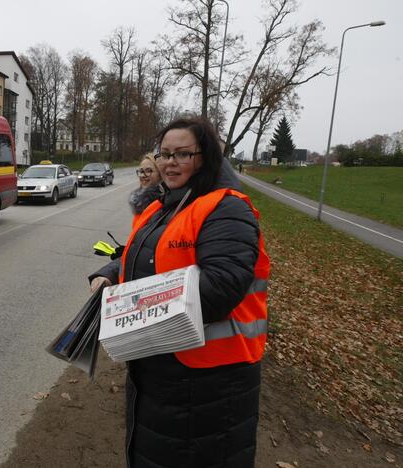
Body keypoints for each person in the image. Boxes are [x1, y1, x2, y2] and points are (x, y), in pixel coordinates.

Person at [89, 117, 270, 468]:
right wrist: (110, 274)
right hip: (158, 366)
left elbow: (220, 287)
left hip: (209, 381)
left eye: (182, 154)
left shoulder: (227, 207)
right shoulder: (162, 206)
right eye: (164, 154)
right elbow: (139, 255)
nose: (170, 162)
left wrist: (135, 302)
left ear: (206, 158)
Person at [128, 153, 163, 220]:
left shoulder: (164, 202)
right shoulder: (139, 203)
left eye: (149, 171)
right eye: (141, 171)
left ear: (160, 174)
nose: (143, 175)